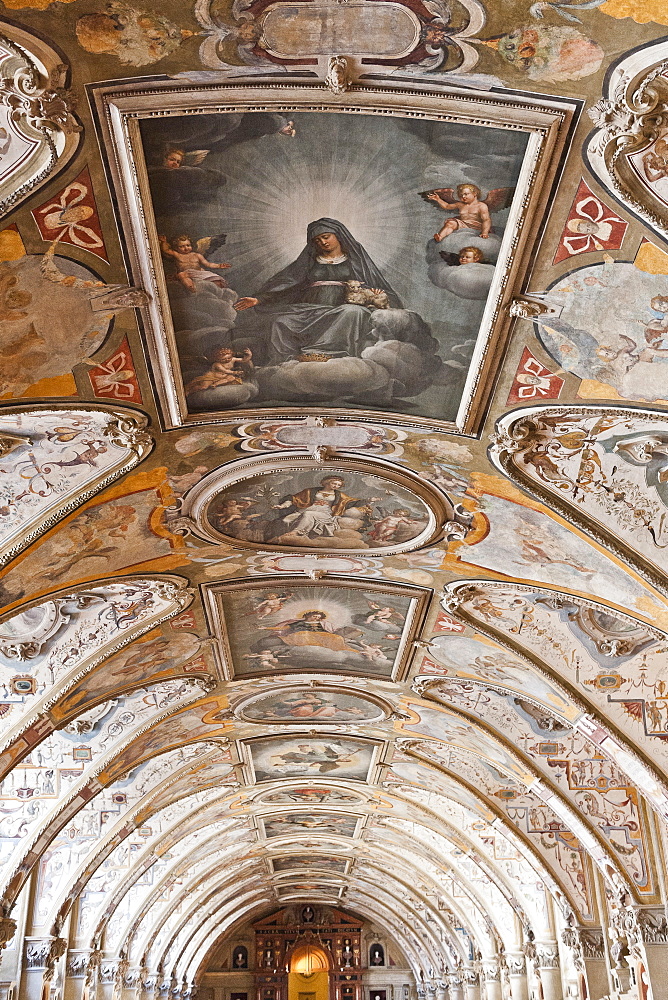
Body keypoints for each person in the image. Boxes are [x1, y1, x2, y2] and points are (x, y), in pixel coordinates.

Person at [232, 218, 401, 364]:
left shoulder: (355, 260)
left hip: (341, 308)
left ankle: (328, 354)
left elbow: (375, 285)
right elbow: (287, 282)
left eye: (326, 237)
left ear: (338, 236)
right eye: (318, 240)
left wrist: (377, 294)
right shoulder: (310, 261)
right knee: (280, 322)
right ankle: (288, 363)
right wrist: (259, 299)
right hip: (308, 308)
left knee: (352, 312)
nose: (322, 242)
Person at [266, 475, 377, 541]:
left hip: (325, 514)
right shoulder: (310, 491)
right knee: (286, 520)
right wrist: (282, 506)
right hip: (305, 510)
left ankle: (296, 533)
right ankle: (281, 539)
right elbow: (294, 499)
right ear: (327, 483)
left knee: (308, 515)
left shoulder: (339, 495)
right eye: (334, 483)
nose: (336, 486)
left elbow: (352, 502)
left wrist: (368, 500)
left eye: (338, 485)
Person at [159, 234, 231, 293]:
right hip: (187, 273)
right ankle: (192, 290)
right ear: (176, 248)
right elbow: (166, 250)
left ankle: (219, 290)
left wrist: (219, 265)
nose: (186, 248)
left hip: (199, 272)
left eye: (188, 245)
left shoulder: (196, 255)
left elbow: (208, 264)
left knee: (217, 281)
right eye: (182, 246)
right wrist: (163, 242)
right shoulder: (177, 254)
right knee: (181, 275)